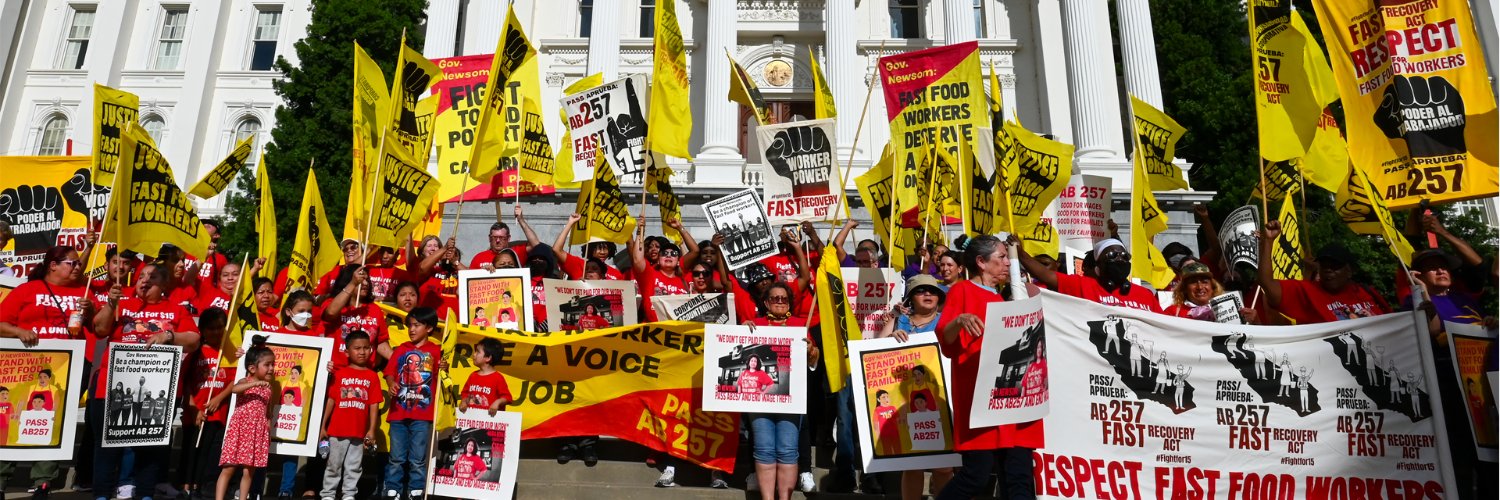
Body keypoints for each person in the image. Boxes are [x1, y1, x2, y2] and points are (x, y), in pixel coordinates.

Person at [936, 235, 1042, 499]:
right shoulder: (962, 290)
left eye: (1007, 257)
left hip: (1015, 398)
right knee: (976, 476)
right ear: (981, 262)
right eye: (1002, 257)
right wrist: (959, 320)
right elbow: (945, 339)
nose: (1007, 263)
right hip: (981, 400)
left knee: (1018, 477)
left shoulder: (1009, 298)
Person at [91, 264, 202, 500]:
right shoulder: (122, 304)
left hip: (156, 390)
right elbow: (100, 329)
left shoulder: (176, 311)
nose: (144, 280)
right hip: (113, 388)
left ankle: (145, 494)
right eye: (141, 276)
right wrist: (111, 305)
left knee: (149, 447)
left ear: (164, 284)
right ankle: (101, 495)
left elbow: (193, 340)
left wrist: (170, 335)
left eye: (151, 277)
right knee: (107, 448)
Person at [875, 274, 955, 500]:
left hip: (938, 402)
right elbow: (874, 352)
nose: (928, 294)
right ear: (910, 298)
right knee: (912, 465)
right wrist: (889, 338)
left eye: (932, 291)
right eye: (921, 291)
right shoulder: (897, 320)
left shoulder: (946, 320)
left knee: (943, 466)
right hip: (904, 403)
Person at [1257, 221, 1389, 324]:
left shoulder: (1368, 292)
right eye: (1323, 265)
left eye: (1335, 266)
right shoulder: (1308, 292)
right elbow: (1267, 283)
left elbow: (1393, 324)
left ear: (1349, 271)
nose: (1328, 270)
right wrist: (1268, 241)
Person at [383, 307, 442, 500]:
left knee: (417, 457)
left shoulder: (436, 351)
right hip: (398, 413)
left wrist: (444, 368)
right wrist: (391, 383)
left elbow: (442, 377)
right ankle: (393, 489)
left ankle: (416, 489)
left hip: (422, 415)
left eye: (417, 325)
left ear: (429, 328)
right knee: (396, 457)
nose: (412, 329)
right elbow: (389, 373)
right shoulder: (401, 349)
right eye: (410, 325)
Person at [1018, 237, 1163, 313]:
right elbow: (1045, 275)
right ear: (1098, 265)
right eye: (1112, 255)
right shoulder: (1082, 285)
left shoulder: (1146, 295)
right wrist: (1021, 254)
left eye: (1125, 256)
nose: (1120, 259)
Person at [209, 336, 275, 500]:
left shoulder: (269, 388)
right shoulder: (246, 381)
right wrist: (254, 384)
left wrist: (267, 426)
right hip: (239, 430)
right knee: (228, 468)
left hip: (255, 433)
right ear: (252, 368)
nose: (271, 368)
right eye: (267, 365)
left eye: (272, 364)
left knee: (248, 471)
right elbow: (235, 389)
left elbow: (268, 411)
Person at [320, 330, 380, 500]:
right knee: (333, 465)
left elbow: (373, 404)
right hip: (337, 430)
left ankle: (348, 495)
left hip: (359, 433)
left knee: (354, 466)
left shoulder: (372, 376)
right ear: (347, 352)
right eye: (357, 348)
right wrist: (323, 426)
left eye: (366, 348)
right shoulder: (339, 374)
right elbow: (331, 401)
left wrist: (372, 430)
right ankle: (328, 495)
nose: (362, 352)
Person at [185, 308, 233, 500]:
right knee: (194, 451)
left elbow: (234, 380)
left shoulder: (229, 353)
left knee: (212, 453)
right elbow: (186, 382)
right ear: (203, 330)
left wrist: (218, 399)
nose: (216, 332)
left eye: (220, 328)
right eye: (211, 328)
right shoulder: (196, 353)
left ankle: (205, 485)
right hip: (197, 414)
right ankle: (189, 485)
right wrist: (193, 409)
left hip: (219, 413)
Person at [324, 265, 389, 368]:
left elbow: (381, 344)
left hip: (364, 374)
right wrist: (353, 283)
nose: (365, 283)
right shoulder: (332, 303)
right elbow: (330, 313)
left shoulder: (375, 309)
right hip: (336, 372)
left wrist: (400, 359)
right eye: (361, 279)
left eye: (367, 280)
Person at [630, 219, 696, 321]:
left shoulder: (682, 277)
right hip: (653, 331)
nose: (668, 255)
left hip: (678, 331)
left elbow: (695, 251)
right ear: (659, 260)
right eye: (664, 253)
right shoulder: (649, 274)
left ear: (678, 261)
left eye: (673, 253)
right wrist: (640, 231)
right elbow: (637, 259)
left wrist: (679, 227)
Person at [1163, 263, 1258, 323]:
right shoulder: (1172, 313)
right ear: (1184, 288)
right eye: (1193, 282)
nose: (1200, 287)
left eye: (1204, 282)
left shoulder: (1231, 309)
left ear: (1212, 286)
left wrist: (1255, 321)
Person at [459, 338, 514, 415]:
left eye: (478, 352)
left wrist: (497, 402)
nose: (474, 354)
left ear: (488, 358)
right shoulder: (473, 376)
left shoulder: (498, 378)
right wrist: (464, 401)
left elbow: (507, 398)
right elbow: (465, 393)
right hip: (472, 420)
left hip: (489, 423)